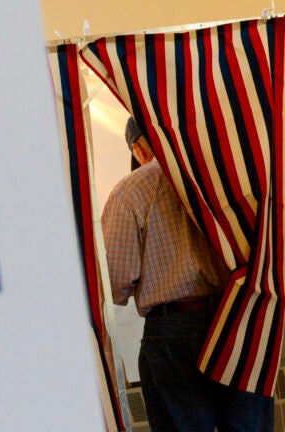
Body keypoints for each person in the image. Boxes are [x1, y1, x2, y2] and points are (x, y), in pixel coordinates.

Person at [101, 117, 274, 431]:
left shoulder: (130, 192)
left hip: (172, 329)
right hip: (241, 318)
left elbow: (114, 280)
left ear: (138, 149)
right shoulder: (231, 175)